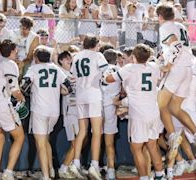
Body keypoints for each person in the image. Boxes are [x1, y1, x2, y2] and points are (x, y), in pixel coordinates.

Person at [105, 44, 165, 180]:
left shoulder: (129, 68)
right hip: (153, 111)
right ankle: (160, 175)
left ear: (133, 56)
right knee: (153, 146)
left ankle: (144, 177)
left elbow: (109, 79)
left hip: (138, 114)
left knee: (137, 149)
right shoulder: (154, 67)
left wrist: (106, 73)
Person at [155, 4, 196, 160]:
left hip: (177, 68)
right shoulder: (179, 25)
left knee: (160, 104)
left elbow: (176, 45)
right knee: (174, 107)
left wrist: (168, 65)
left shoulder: (165, 26)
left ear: (160, 16)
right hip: (187, 69)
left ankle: (172, 136)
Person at [23, 45, 70, 180]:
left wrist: (32, 90)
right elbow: (69, 88)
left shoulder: (33, 69)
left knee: (41, 144)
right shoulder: (57, 69)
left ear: (36, 58)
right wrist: (56, 91)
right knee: (46, 140)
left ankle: (45, 176)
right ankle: (50, 170)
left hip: (39, 110)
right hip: (54, 111)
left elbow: (24, 86)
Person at [0, 39, 26, 180]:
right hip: (0, 104)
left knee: (0, 139)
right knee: (19, 137)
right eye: (15, 50)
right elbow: (13, 89)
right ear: (12, 51)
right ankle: (8, 172)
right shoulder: (9, 63)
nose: (17, 52)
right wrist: (22, 98)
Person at [68, 35, 108, 179]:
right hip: (94, 95)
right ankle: (94, 165)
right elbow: (107, 74)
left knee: (82, 131)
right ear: (95, 44)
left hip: (80, 95)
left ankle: (76, 163)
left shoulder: (77, 56)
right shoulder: (98, 55)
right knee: (97, 131)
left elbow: (72, 77)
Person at [56, 50, 80, 179]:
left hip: (79, 111)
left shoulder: (75, 73)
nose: (70, 61)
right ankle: (64, 168)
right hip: (69, 111)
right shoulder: (61, 73)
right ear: (60, 61)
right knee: (76, 142)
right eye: (66, 59)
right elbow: (62, 91)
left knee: (82, 140)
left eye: (71, 59)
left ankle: (70, 167)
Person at [101, 49, 121, 180]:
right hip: (111, 106)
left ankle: (95, 166)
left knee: (96, 138)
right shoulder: (120, 70)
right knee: (109, 142)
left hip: (97, 106)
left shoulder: (99, 69)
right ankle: (111, 170)